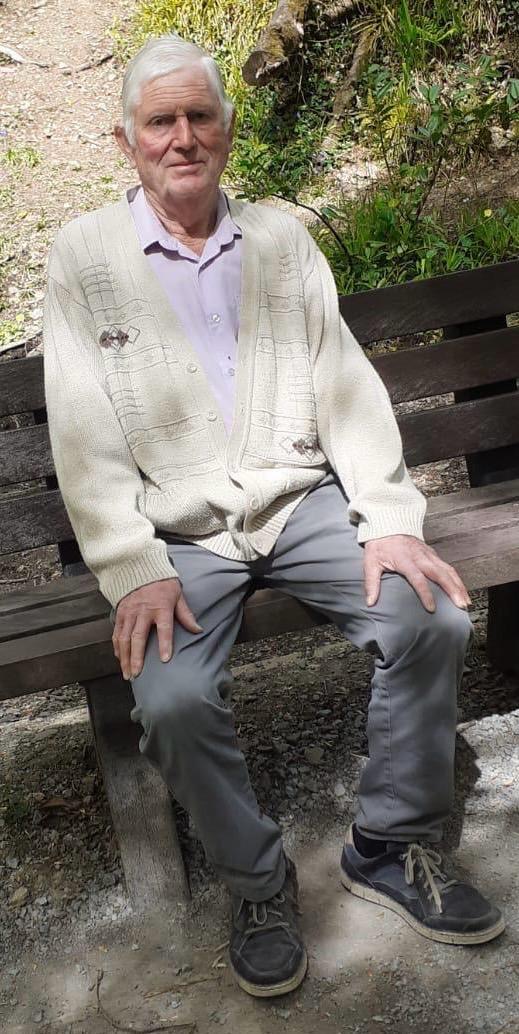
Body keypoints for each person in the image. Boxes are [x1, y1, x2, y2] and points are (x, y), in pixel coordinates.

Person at [43, 33, 504, 999]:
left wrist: (387, 516)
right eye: (159, 121)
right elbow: (82, 432)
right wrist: (132, 566)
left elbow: (344, 386)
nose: (182, 137)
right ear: (126, 140)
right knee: (170, 697)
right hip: (177, 534)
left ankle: (390, 846)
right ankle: (258, 885)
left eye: (199, 116)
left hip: (299, 503)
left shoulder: (280, 240)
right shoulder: (85, 256)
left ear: (226, 128)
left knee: (429, 618)